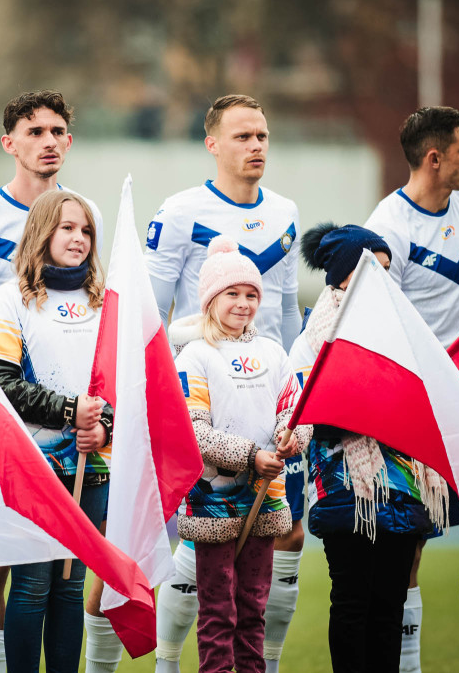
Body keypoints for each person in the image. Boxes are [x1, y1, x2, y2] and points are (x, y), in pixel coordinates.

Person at [144, 94, 304, 673]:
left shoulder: (285, 212)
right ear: (212, 144)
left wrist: (294, 396)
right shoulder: (180, 211)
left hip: (265, 402)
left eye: (262, 135)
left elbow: (286, 316)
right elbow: (150, 319)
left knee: (280, 546)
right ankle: (168, 660)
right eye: (242, 137)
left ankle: (262, 664)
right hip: (202, 407)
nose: (256, 146)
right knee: (199, 550)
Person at [0, 90, 105, 673]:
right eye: (35, 131)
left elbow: (104, 361)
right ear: (10, 143)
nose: (49, 141)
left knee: (69, 579)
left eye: (58, 131)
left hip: (84, 448)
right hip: (6, 434)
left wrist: (99, 419)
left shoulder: (84, 211)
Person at [364, 106, 459, 673]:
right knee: (409, 546)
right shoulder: (387, 226)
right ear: (433, 157)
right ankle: (411, 665)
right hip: (412, 405)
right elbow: (380, 327)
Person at [292, 223, 449, 672]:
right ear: (343, 276)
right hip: (347, 490)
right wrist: (364, 411)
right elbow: (297, 414)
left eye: (386, 268)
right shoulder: (312, 339)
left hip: (403, 488)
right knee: (353, 603)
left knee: (389, 608)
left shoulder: (406, 333)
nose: (383, 278)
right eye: (370, 269)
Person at [170, 235, 310, 673]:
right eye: (232, 293)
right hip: (214, 502)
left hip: (265, 499)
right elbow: (194, 432)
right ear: (211, 299)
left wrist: (292, 436)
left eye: (251, 294)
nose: (244, 303)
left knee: (252, 610)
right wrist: (251, 457)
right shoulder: (193, 355)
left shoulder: (273, 352)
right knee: (218, 613)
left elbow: (297, 409)